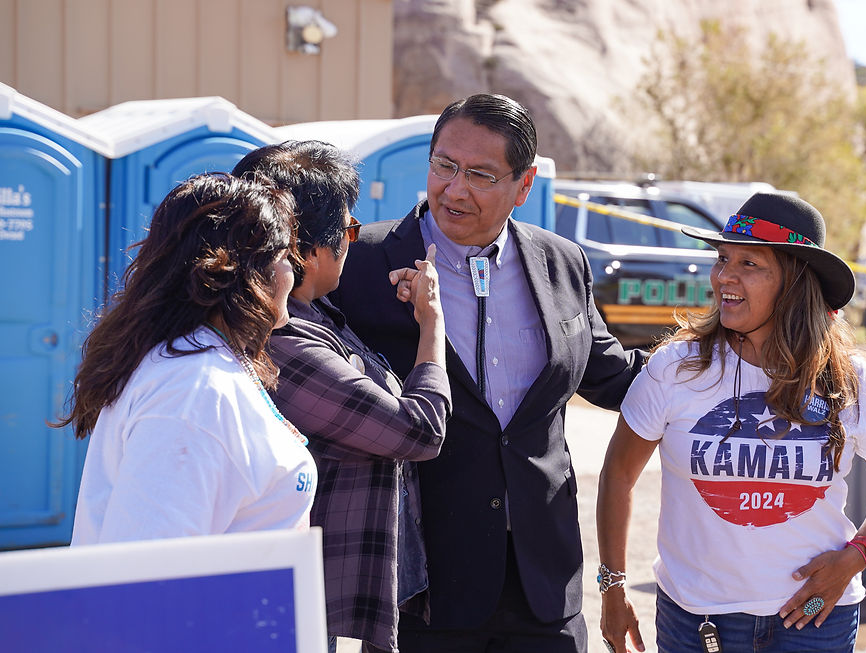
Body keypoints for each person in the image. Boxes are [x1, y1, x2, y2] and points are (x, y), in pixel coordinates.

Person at [330, 93, 648, 652]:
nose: (455, 189)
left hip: (544, 584)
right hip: (422, 585)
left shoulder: (561, 262)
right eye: (444, 166)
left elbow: (613, 375)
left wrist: (725, 363)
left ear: (523, 187)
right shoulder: (361, 263)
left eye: (480, 174)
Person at [596, 192, 866, 653]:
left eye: (749, 264)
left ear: (794, 282)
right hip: (697, 619)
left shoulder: (844, 378)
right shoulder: (675, 368)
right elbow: (617, 475)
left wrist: (854, 558)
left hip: (814, 618)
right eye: (723, 258)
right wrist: (612, 586)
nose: (724, 276)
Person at [232, 141, 451, 653]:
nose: (354, 241)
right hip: (309, 607)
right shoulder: (285, 340)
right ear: (302, 248)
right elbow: (418, 431)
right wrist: (432, 323)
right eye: (349, 230)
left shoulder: (317, 313)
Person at [63, 172, 316, 544]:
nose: (292, 272)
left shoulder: (195, 364)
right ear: (246, 273)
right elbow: (148, 571)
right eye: (283, 257)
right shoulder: (194, 390)